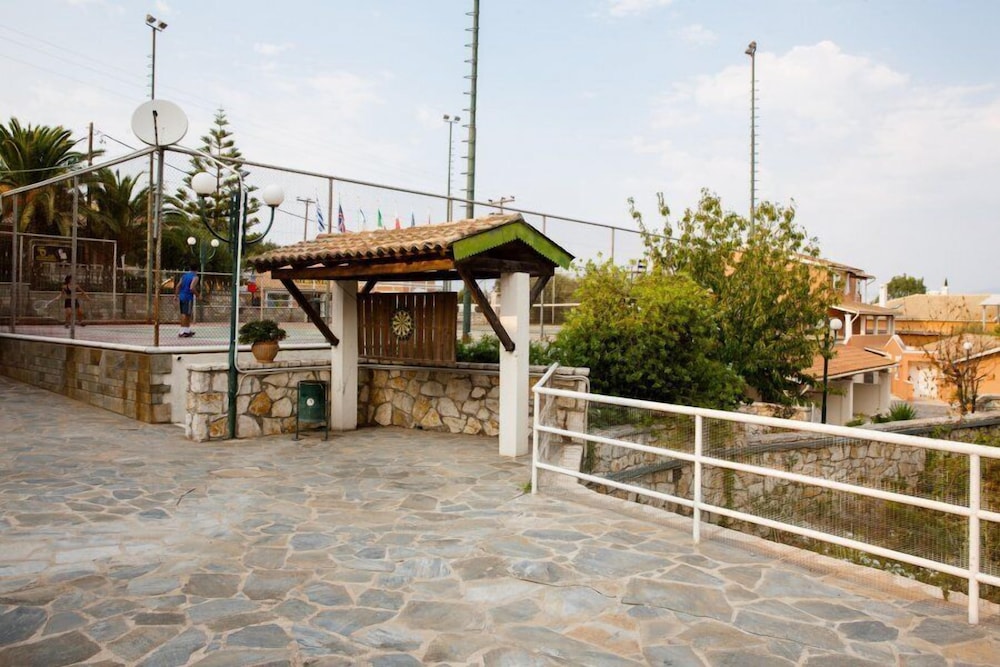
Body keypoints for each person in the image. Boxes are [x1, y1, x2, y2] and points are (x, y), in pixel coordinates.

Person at [175, 263, 199, 338]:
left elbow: (178, 286)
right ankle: (182, 331)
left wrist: (176, 295)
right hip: (188, 297)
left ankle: (186, 330)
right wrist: (198, 295)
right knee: (186, 314)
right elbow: (192, 288)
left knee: (185, 313)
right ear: (197, 270)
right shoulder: (195, 277)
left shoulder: (184, 276)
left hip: (181, 296)